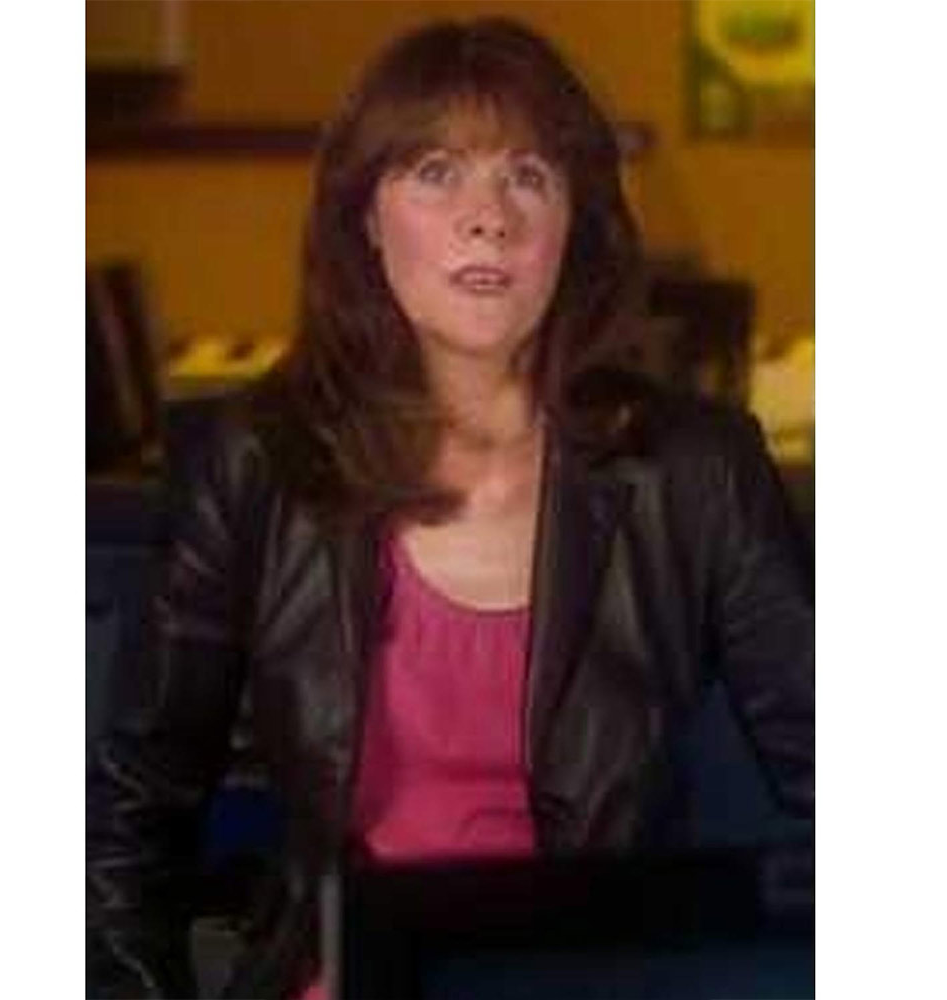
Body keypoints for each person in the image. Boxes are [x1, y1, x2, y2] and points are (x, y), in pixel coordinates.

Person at [86, 17, 813, 999]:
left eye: (528, 176)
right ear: (364, 217)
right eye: (436, 172)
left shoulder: (695, 469)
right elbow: (127, 822)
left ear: (575, 226)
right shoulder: (256, 460)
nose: (489, 219)